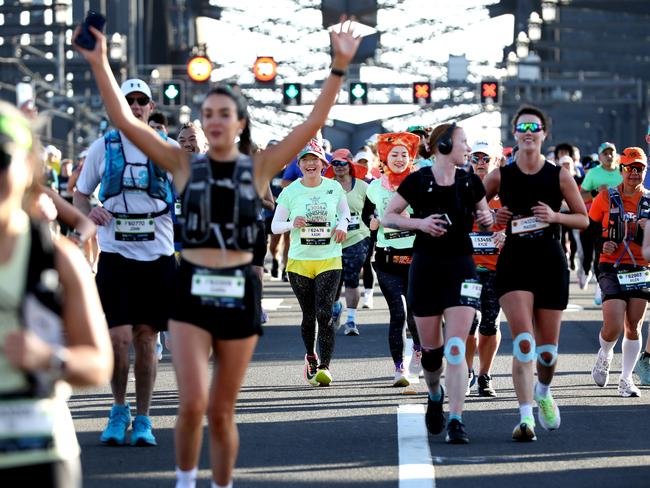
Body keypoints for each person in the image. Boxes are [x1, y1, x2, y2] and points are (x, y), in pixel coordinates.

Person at [75, 18, 360, 488]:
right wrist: (99, 59)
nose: (216, 119)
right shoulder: (183, 164)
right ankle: (186, 481)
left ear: (240, 122)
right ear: (203, 123)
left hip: (238, 293)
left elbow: (312, 122)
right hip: (192, 294)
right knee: (190, 406)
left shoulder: (260, 166)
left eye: (225, 112)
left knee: (222, 412)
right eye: (208, 113)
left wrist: (339, 65)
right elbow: (124, 120)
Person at [0, 101, 112, 486]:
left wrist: (49, 357)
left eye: (1, 158)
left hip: (40, 449)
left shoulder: (57, 257)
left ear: (28, 166)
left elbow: (99, 364)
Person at [73, 77, 178, 448]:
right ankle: (119, 409)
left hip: (157, 256)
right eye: (128, 101)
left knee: (146, 340)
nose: (134, 106)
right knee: (118, 340)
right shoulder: (104, 147)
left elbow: (193, 194)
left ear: (151, 108)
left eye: (141, 101)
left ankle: (145, 418)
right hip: (116, 254)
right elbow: (80, 194)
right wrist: (93, 212)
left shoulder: (168, 148)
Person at [483, 105, 588, 442]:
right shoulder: (501, 174)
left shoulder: (559, 175)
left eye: (535, 127)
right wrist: (493, 217)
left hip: (549, 262)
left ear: (544, 134)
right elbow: (474, 203)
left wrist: (556, 217)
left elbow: (583, 218)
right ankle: (525, 418)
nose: (528, 132)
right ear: (515, 133)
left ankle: (543, 390)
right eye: (522, 126)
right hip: (515, 261)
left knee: (547, 352)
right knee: (524, 342)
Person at [383, 123, 493, 444]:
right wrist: (420, 223)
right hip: (426, 269)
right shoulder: (417, 180)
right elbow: (390, 216)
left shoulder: (471, 181)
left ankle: (457, 418)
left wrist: (486, 219)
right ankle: (435, 394)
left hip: (462, 268)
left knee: (457, 347)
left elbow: (484, 215)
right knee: (432, 353)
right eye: (463, 142)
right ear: (443, 145)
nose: (468, 148)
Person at [272, 139, 350, 383]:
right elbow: (275, 226)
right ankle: (310, 356)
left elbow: (345, 213)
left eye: (314, 159)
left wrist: (342, 225)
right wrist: (291, 224)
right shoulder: (290, 191)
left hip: (328, 258)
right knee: (309, 315)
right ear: (299, 165)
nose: (310, 164)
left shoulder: (334, 188)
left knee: (325, 313)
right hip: (299, 261)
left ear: (322, 163)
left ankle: (325, 366)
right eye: (305, 160)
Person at [589, 147, 650, 397]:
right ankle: (604, 353)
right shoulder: (605, 197)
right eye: (629, 168)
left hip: (640, 268)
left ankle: (626, 379)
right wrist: (602, 244)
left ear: (645, 171)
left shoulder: (649, 201)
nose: (634, 174)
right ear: (621, 170)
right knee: (613, 324)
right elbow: (590, 229)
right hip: (611, 265)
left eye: (639, 169)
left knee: (633, 326)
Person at [364, 132, 423, 387]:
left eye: (404, 155)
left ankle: (419, 349)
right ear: (384, 158)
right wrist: (373, 223)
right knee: (398, 313)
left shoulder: (420, 183)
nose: (399, 159)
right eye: (394, 154)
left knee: (415, 313)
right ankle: (399, 369)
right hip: (387, 259)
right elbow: (367, 217)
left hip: (416, 256)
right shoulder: (375, 187)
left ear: (411, 158)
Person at [465, 140, 505, 398]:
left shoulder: (508, 194)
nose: (480, 163)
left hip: (496, 269)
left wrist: (508, 236)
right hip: (466, 269)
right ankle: (466, 371)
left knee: (489, 324)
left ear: (495, 162)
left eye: (485, 159)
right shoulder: (461, 190)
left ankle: (484, 374)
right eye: (476, 158)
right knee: (469, 322)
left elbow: (525, 224)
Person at [325, 148, 371, 335]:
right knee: (334, 279)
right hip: (333, 240)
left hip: (358, 236)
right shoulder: (326, 186)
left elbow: (371, 212)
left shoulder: (362, 187)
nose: (339, 167)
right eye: (335, 163)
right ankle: (336, 306)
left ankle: (351, 320)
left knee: (351, 277)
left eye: (343, 163)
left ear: (350, 165)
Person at [579, 142, 622, 299]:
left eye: (612, 153)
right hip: (598, 219)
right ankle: (601, 284)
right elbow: (581, 195)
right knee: (600, 254)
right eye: (605, 153)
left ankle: (616, 285)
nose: (609, 156)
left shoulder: (623, 171)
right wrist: (596, 192)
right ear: (600, 156)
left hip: (620, 220)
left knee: (619, 252)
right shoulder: (593, 173)